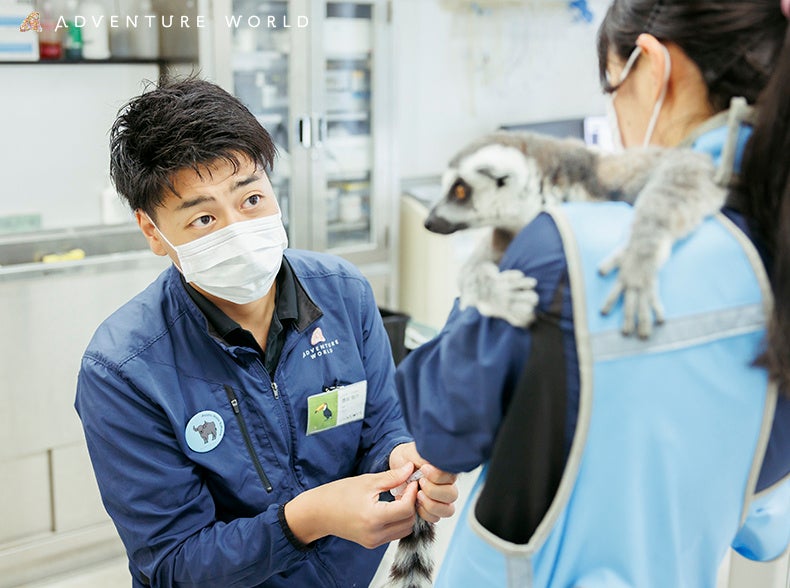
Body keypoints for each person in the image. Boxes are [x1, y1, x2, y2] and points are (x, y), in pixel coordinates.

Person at [395, 0, 790, 586]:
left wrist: (494, 263)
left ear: (652, 67)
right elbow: (767, 527)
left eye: (613, 86)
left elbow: (442, 427)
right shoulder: (771, 240)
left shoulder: (567, 250)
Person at [74, 78, 457, 588]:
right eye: (204, 216)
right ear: (152, 231)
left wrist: (402, 459)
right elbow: (172, 565)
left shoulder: (343, 294)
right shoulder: (124, 370)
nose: (238, 227)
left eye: (251, 197)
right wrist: (306, 519)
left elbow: (381, 425)